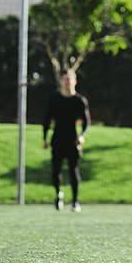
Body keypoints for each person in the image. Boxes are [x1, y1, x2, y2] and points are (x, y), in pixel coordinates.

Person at [43, 70, 90, 212]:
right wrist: (44, 137)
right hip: (57, 139)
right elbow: (47, 119)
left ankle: (75, 201)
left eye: (70, 79)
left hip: (72, 140)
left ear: (75, 81)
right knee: (55, 170)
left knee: (73, 170)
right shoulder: (54, 98)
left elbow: (86, 122)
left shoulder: (79, 101)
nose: (67, 82)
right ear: (61, 81)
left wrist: (81, 135)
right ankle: (58, 194)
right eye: (65, 79)